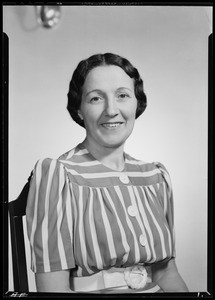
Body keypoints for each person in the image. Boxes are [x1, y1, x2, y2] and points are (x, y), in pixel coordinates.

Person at [26, 53, 189, 293]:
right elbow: (52, 289)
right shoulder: (58, 174)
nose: (111, 110)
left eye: (122, 95)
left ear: (137, 103)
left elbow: (167, 273)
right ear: (79, 109)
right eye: (95, 98)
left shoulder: (155, 176)